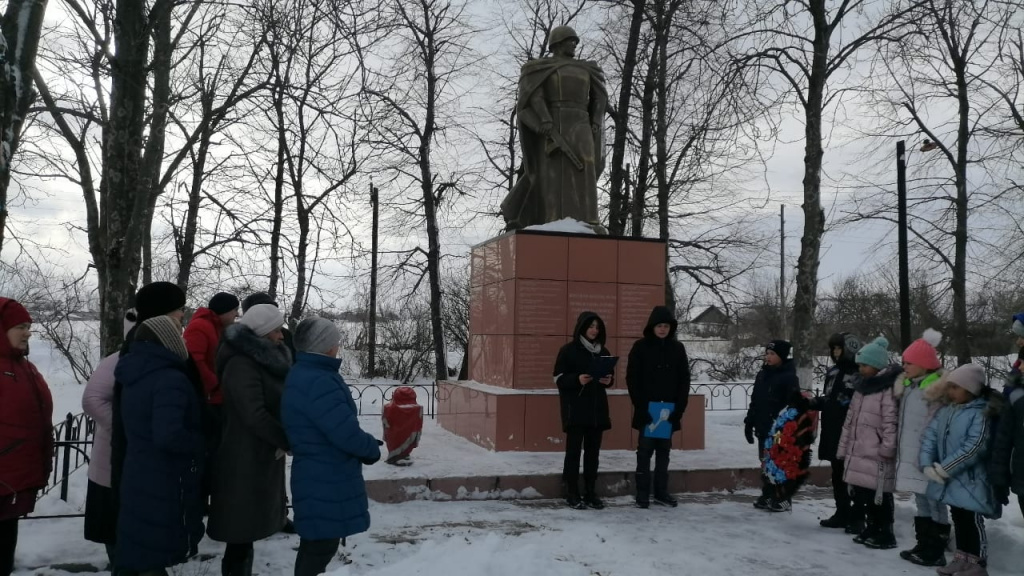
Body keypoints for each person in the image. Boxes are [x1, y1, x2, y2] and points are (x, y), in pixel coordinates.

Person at [282, 317, 382, 576]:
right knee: (321, 546)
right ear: (324, 346)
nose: (338, 345)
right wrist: (370, 448)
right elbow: (344, 432)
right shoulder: (320, 381)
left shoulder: (306, 373)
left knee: (316, 542)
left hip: (316, 472)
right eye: (334, 341)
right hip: (326, 475)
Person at [114, 316, 205, 576]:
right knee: (151, 553)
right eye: (178, 330)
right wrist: (201, 443)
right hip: (164, 477)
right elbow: (169, 434)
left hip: (139, 470)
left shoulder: (135, 371)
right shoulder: (169, 379)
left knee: (138, 548)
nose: (182, 334)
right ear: (165, 339)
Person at [207, 304, 292, 576]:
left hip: (259, 452)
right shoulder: (241, 364)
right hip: (242, 455)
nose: (281, 336)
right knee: (240, 529)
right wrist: (285, 439)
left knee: (248, 526)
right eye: (277, 330)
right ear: (264, 333)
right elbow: (253, 413)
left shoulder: (261, 359)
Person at [500, 25, 608, 231]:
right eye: (570, 40)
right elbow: (534, 97)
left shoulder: (587, 68)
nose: (574, 44)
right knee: (551, 173)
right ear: (557, 43)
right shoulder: (539, 68)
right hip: (552, 123)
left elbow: (599, 96)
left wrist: (595, 120)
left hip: (581, 123)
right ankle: (549, 219)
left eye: (575, 41)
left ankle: (588, 221)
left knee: (585, 166)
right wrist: (545, 120)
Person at [920, 364, 1004, 576]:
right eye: (949, 387)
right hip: (951, 480)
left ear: (971, 390)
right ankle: (961, 558)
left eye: (955, 388)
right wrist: (927, 463)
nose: (950, 392)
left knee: (972, 521)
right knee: (958, 517)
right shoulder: (947, 411)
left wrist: (945, 468)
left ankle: (978, 563)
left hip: (973, 480)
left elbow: (974, 447)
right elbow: (929, 436)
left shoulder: (981, 413)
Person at [111, 282, 188, 503]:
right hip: (154, 462)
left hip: (147, 461)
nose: (183, 315)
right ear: (163, 311)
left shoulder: (148, 342)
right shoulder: (150, 346)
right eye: (179, 309)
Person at [0, 298, 53, 576]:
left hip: (13, 484)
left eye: (28, 326)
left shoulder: (24, 367)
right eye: (20, 326)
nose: (27, 332)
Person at [82, 310, 137, 570]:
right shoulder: (115, 361)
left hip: (142, 463)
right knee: (115, 528)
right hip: (111, 463)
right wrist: (126, 429)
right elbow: (92, 400)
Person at [836, 336, 901, 549]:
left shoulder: (886, 390)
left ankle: (885, 532)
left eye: (864, 365)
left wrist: (887, 447)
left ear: (876, 365)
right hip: (860, 450)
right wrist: (844, 447)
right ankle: (871, 527)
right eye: (860, 365)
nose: (861, 369)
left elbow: (890, 422)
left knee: (880, 495)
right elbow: (850, 421)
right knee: (865, 494)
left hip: (877, 453)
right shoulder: (861, 389)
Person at [893, 329, 950, 566]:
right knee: (921, 499)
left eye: (909, 362)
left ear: (924, 365)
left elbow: (939, 426)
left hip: (930, 457)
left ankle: (936, 548)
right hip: (911, 454)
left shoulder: (936, 390)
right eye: (903, 361)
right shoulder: (909, 387)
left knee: (935, 500)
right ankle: (923, 543)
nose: (904, 366)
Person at [626, 306, 690, 509]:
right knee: (644, 453)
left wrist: (678, 409)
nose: (663, 329)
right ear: (652, 327)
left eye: (666, 326)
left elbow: (684, 380)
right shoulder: (640, 347)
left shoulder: (677, 348)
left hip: (669, 412)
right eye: (659, 326)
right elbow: (632, 380)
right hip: (647, 411)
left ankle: (661, 492)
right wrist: (641, 407)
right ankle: (642, 494)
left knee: (664, 453)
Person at [553, 311, 613, 510]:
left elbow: (609, 377)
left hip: (596, 411)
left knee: (593, 454)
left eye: (597, 327)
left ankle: (590, 492)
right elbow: (558, 378)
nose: (594, 330)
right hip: (576, 409)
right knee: (573, 453)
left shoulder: (603, 351)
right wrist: (576, 379)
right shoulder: (568, 350)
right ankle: (571, 492)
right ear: (582, 327)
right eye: (591, 326)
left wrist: (608, 380)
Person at [811, 333, 863, 531]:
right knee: (837, 472)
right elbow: (830, 397)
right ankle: (842, 512)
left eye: (839, 348)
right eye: (833, 349)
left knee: (855, 474)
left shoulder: (861, 372)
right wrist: (814, 403)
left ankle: (859, 515)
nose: (835, 352)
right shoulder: (832, 371)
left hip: (852, 430)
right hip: (832, 428)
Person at [744, 340, 799, 509]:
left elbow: (794, 405)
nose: (768, 357)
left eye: (772, 354)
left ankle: (783, 497)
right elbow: (755, 400)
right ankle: (768, 494)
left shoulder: (789, 377)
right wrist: (749, 421)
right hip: (763, 426)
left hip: (779, 429)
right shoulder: (763, 375)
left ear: (781, 356)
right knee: (766, 462)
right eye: (767, 353)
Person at [761, 389, 817, 512]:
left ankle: (784, 498)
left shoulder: (802, 417)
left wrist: (796, 446)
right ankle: (772, 495)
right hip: (781, 447)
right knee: (774, 469)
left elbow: (805, 435)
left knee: (789, 473)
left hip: (794, 451)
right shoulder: (786, 413)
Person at [991, 313, 1024, 518]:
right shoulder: (1016, 375)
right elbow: (1005, 431)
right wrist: (999, 475)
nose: (1019, 341)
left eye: (1023, 336)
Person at [184, 292, 240, 408]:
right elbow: (195, 362)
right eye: (235, 309)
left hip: (215, 396)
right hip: (207, 398)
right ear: (225, 309)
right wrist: (215, 385)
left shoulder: (217, 328)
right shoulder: (199, 326)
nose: (237, 314)